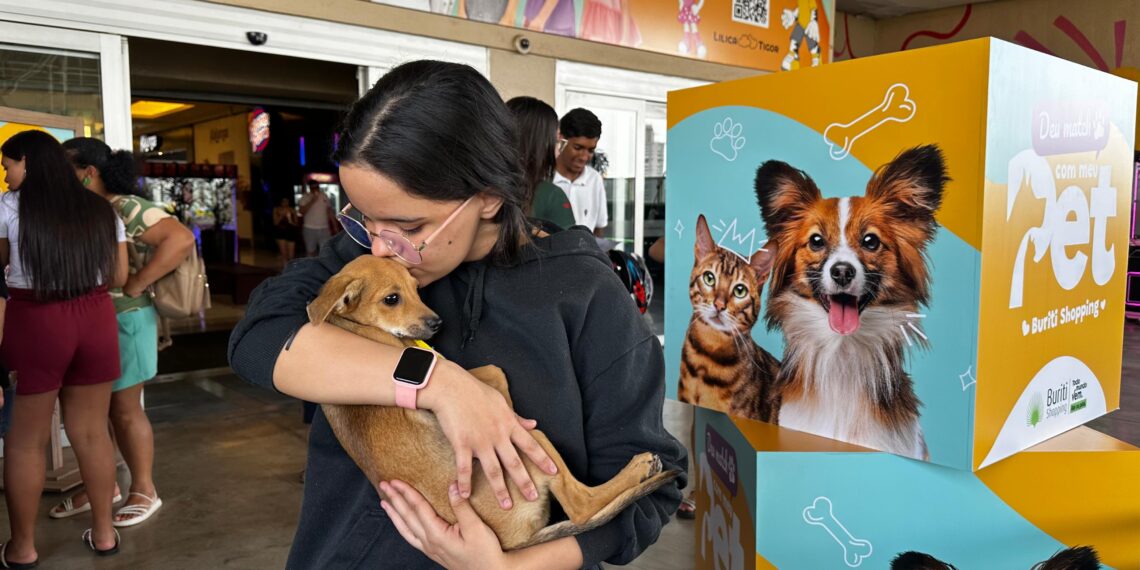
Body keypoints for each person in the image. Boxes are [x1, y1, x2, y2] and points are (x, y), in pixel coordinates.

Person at [228, 60, 685, 569]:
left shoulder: (585, 294)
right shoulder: (370, 262)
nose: (381, 246)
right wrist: (438, 384)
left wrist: (508, 569)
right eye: (363, 218)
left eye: (407, 223)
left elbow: (653, 490)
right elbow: (259, 340)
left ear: (488, 197)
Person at [0, 130, 129, 566]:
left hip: (37, 321)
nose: (6, 176)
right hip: (94, 319)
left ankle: (22, 547)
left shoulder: (8, 208)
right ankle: (106, 534)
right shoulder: (100, 209)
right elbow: (117, 277)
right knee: (92, 433)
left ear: (28, 163)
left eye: (8, 166)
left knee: (25, 443)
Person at [52, 137, 196, 528]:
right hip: (96, 319)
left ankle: (144, 489)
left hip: (126, 319)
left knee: (124, 408)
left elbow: (180, 238)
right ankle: (104, 486)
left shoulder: (125, 206)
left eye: (68, 168)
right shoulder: (88, 208)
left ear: (89, 172)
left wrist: (136, 283)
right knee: (97, 411)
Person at [505, 96, 576, 230]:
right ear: (541, 145)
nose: (558, 151)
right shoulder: (552, 196)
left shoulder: (482, 190)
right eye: (556, 141)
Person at [553, 108, 609, 237]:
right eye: (578, 148)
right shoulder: (543, 177)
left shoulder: (594, 179)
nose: (584, 157)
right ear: (561, 139)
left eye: (590, 150)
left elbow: (598, 230)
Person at [298, 179, 335, 256]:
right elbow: (301, 212)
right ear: (310, 188)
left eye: (317, 187)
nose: (315, 188)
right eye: (313, 187)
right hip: (309, 228)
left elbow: (330, 212)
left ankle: (323, 267)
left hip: (324, 228)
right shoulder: (305, 197)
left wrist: (335, 226)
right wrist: (313, 200)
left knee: (325, 251)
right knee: (310, 251)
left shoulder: (324, 196)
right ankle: (312, 267)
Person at [273, 197, 302, 270]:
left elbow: (296, 223)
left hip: (290, 232)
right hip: (281, 232)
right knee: (284, 254)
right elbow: (275, 223)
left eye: (287, 201)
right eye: (284, 201)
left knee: (291, 255)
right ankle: (285, 270)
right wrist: (282, 215)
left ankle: (290, 269)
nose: (285, 203)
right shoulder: (276, 209)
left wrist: (290, 220)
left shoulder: (292, 210)